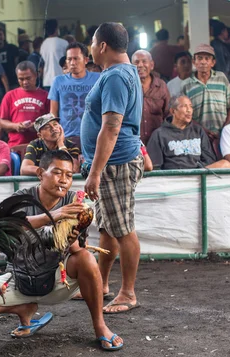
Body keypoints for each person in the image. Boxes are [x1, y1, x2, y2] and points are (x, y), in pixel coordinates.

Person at [0, 150, 124, 351]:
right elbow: (7, 224)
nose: (63, 180)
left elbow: (77, 249)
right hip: (19, 280)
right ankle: (22, 308)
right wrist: (53, 215)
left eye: (69, 175)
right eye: (57, 173)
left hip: (57, 282)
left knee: (86, 259)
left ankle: (100, 326)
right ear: (41, 173)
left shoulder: (74, 202)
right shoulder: (22, 199)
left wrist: (71, 239)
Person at [81, 23, 145, 314]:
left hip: (115, 163)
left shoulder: (117, 76)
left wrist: (94, 172)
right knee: (108, 229)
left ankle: (128, 293)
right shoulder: (119, 73)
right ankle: (102, 284)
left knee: (123, 230)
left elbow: (112, 126)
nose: (91, 49)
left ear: (103, 46)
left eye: (93, 43)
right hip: (113, 162)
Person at [147, 96, 230, 170]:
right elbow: (156, 166)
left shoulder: (198, 131)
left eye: (191, 107)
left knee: (225, 164)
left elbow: (209, 159)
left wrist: (198, 170)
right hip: (173, 179)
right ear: (173, 111)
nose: (189, 110)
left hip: (198, 176)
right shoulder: (159, 134)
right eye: (184, 106)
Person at [182, 44, 230, 151]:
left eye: (207, 58)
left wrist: (225, 128)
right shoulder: (186, 84)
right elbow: (185, 114)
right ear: (194, 62)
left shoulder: (221, 78)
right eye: (200, 58)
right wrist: (203, 130)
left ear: (213, 63)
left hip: (223, 135)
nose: (203, 62)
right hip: (197, 135)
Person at [49, 42, 100, 149]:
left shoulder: (98, 79)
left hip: (93, 137)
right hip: (67, 137)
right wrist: (57, 136)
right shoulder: (58, 81)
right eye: (69, 59)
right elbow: (53, 112)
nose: (72, 63)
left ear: (86, 60)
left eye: (76, 59)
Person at [0, 61, 50, 149]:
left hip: (40, 146)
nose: (25, 82)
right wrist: (16, 126)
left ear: (36, 75)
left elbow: (51, 118)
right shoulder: (10, 96)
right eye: (21, 79)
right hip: (16, 146)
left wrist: (35, 125)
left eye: (28, 78)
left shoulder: (46, 96)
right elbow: (2, 121)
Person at [131, 50, 170, 145]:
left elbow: (168, 114)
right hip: (133, 144)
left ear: (151, 65)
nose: (140, 65)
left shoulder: (161, 86)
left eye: (144, 61)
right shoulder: (127, 86)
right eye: (136, 62)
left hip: (157, 143)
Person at [40, 19, 69, 89]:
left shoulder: (43, 44)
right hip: (62, 79)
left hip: (47, 81)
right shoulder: (64, 43)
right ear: (56, 29)